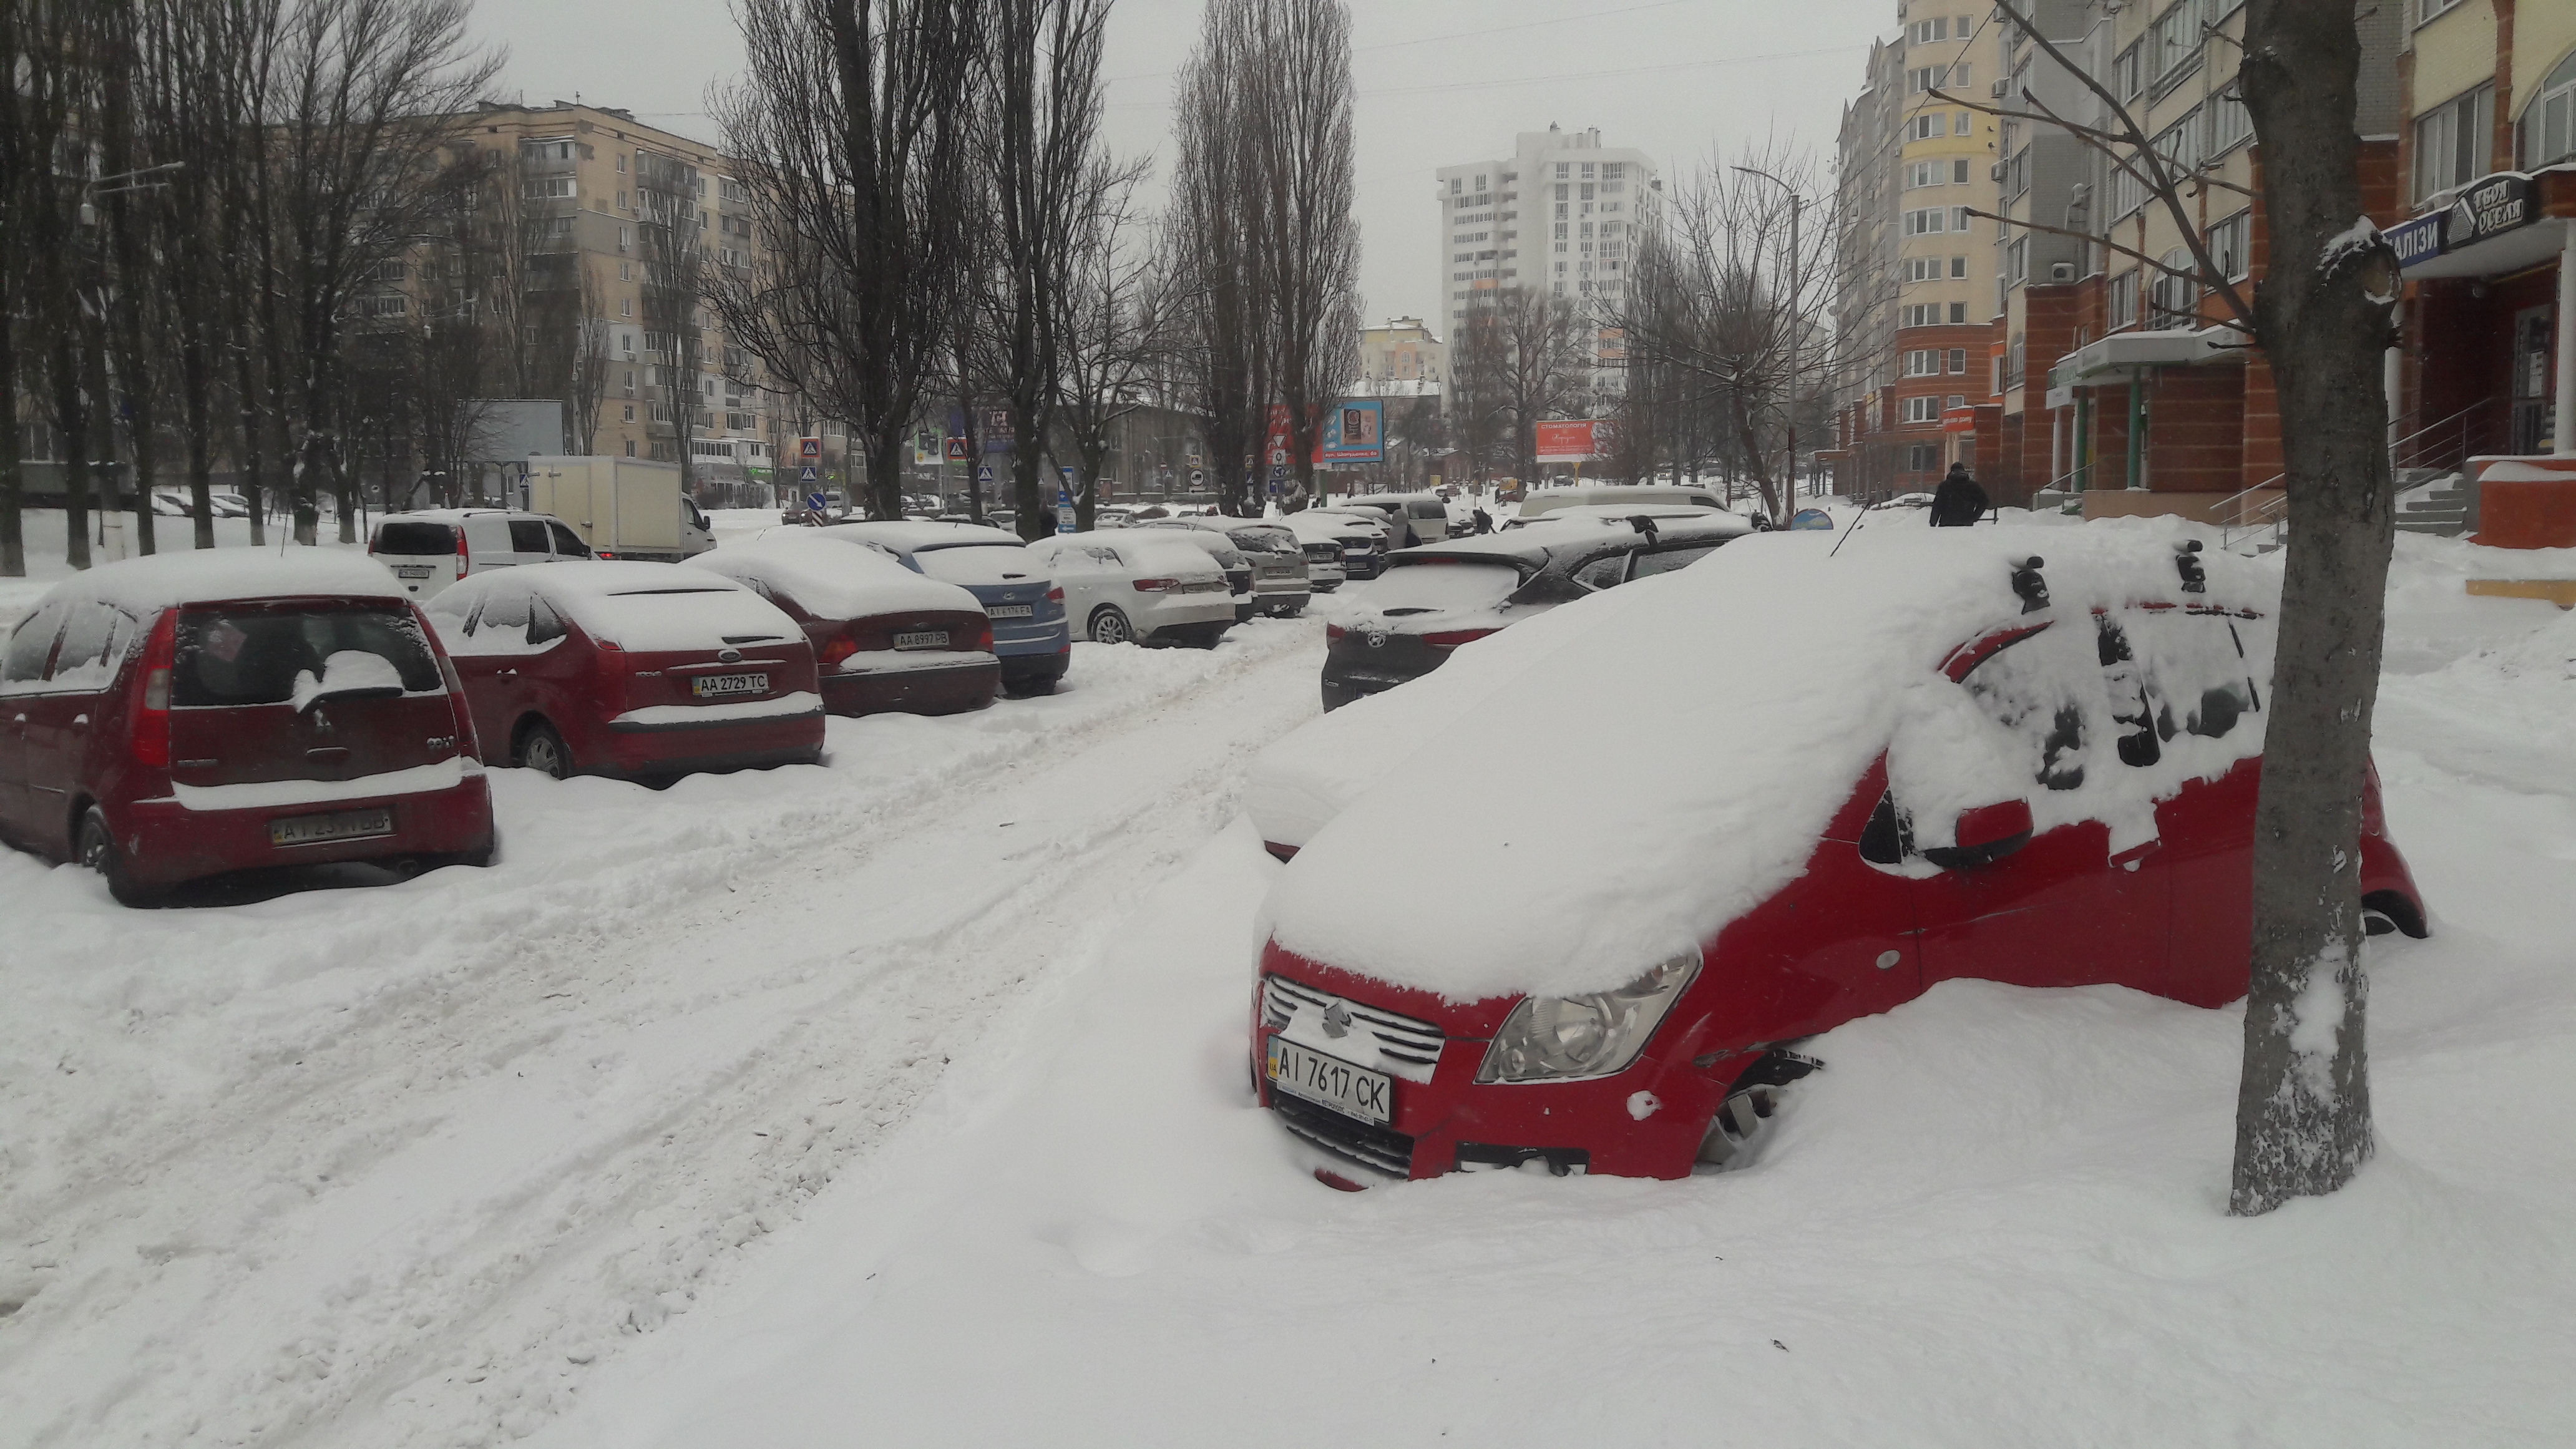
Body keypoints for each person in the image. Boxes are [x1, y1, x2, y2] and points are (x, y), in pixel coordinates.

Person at [1930, 462, 1988, 527]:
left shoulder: (1944, 486)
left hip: (1947, 523)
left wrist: (1933, 522)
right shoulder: (1972, 486)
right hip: (1966, 523)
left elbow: (1938, 504)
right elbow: (1984, 501)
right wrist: (1974, 517)